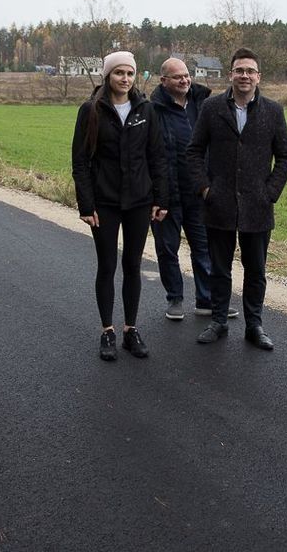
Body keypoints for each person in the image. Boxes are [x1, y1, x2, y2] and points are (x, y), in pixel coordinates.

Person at [187, 48, 287, 350]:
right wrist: (206, 189)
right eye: (239, 70)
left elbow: (286, 156)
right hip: (218, 204)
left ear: (258, 76)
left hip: (257, 206)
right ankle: (218, 321)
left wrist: (269, 192)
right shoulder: (211, 107)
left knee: (256, 269)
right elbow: (194, 151)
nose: (244, 76)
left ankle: (254, 325)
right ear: (230, 74)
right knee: (219, 268)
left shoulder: (273, 111)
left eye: (250, 71)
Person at [72, 51, 169, 362]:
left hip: (140, 201)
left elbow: (157, 156)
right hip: (105, 202)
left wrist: (160, 198)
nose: (125, 79)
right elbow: (81, 162)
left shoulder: (146, 110)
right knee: (107, 266)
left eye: (129, 73)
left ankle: (130, 329)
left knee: (132, 266)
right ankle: (107, 331)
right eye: (119, 73)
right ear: (107, 76)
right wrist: (86, 204)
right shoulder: (91, 110)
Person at [149, 57, 237, 321]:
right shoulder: (152, 110)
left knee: (204, 249)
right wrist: (156, 196)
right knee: (167, 249)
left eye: (187, 75)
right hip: (166, 196)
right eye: (178, 77)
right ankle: (175, 298)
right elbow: (150, 155)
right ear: (164, 81)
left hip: (199, 193)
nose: (185, 80)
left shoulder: (204, 104)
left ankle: (206, 299)